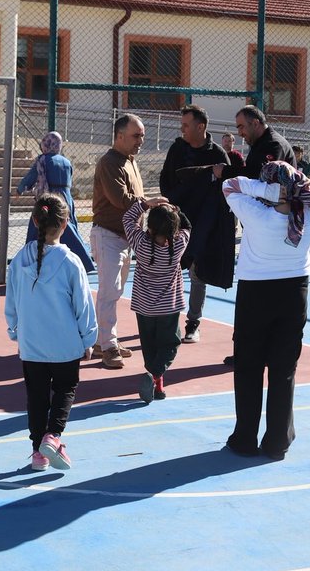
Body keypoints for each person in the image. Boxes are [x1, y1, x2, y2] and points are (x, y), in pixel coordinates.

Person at [221, 160, 310, 460]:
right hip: (295, 292)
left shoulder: (255, 214)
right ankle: (278, 441)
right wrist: (291, 186)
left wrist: (265, 190)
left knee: (248, 367)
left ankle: (244, 439)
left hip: (256, 292)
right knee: (284, 369)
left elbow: (228, 185)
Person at [5, 193, 98, 472]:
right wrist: (88, 338)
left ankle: (38, 452)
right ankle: (53, 436)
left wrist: (15, 332)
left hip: (32, 343)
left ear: (35, 221)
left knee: (36, 396)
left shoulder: (20, 259)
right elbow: (83, 305)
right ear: (66, 222)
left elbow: (11, 300)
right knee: (65, 389)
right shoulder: (71, 262)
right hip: (65, 343)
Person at [215, 105, 297, 367]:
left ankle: (251, 352)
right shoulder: (265, 143)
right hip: (268, 227)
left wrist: (226, 174)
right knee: (261, 292)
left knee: (254, 291)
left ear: (255, 123)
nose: (239, 133)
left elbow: (259, 182)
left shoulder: (271, 145)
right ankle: (252, 349)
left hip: (270, 229)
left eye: (241, 127)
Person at [159, 105, 235, 344]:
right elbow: (167, 180)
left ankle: (193, 323)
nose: (182, 129)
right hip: (176, 220)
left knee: (197, 274)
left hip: (204, 224)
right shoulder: (177, 149)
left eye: (186, 125)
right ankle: (166, 321)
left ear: (200, 127)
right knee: (169, 270)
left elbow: (227, 189)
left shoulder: (218, 154)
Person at [90, 113, 148, 369]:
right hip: (108, 234)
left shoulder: (130, 161)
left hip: (125, 237)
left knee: (115, 291)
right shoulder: (109, 162)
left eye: (142, 135)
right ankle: (108, 345)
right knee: (109, 291)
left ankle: (103, 341)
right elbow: (120, 199)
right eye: (136, 136)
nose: (141, 140)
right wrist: (148, 204)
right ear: (120, 136)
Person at [122, 197, 190, 403]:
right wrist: (175, 209)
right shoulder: (178, 244)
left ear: (149, 227)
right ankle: (154, 374)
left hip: (144, 307)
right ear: (173, 228)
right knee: (170, 344)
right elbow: (188, 225)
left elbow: (128, 219)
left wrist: (145, 204)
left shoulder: (140, 244)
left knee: (150, 346)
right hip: (168, 306)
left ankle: (157, 387)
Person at [16, 131, 94, 272]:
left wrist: (19, 190)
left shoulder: (42, 160)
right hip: (66, 198)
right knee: (69, 229)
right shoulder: (66, 162)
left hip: (50, 197)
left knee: (38, 227)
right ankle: (84, 262)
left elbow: (31, 177)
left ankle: (30, 261)